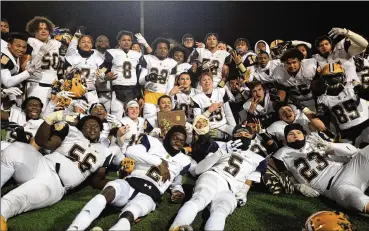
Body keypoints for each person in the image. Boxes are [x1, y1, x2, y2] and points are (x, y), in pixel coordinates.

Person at [67, 126, 192, 231]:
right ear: (167, 136)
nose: (178, 142)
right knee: (108, 191)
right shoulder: (152, 142)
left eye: (182, 141)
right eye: (175, 138)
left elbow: (175, 180)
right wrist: (159, 162)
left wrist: (178, 191)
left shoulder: (184, 160)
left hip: (151, 194)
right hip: (132, 182)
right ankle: (74, 228)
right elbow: (130, 151)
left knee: (130, 214)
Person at [1, 115, 114, 229]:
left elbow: (96, 180)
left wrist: (117, 183)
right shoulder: (74, 134)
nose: (92, 128)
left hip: (55, 184)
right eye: (87, 126)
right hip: (41, 164)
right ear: (81, 129)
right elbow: (43, 142)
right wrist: (49, 120)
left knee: (11, 201)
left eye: (95, 126)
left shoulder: (105, 152)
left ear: (100, 129)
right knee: (16, 148)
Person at [169, 125, 265, 231]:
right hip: (213, 176)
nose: (242, 137)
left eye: (246, 135)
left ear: (252, 137)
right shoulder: (220, 145)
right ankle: (177, 227)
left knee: (221, 211)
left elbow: (250, 178)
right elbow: (198, 170)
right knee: (199, 199)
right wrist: (221, 151)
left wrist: (243, 193)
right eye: (239, 135)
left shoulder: (258, 158)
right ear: (233, 136)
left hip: (230, 189)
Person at [274, 123, 369, 214]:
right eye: (291, 134)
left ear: (303, 134)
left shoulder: (313, 141)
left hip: (349, 169)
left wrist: (330, 146)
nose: (295, 135)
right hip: (335, 186)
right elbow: (283, 175)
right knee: (357, 200)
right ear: (286, 138)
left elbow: (352, 152)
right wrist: (298, 186)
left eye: (298, 133)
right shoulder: (280, 154)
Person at [315, 62, 369, 145]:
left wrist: (362, 90)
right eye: (329, 77)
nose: (333, 80)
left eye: (337, 76)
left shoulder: (352, 87)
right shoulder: (322, 99)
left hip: (365, 124)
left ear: (343, 76)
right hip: (346, 132)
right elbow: (323, 122)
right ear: (323, 80)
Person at [99, 30, 145, 118]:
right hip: (117, 91)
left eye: (129, 40)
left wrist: (140, 96)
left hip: (133, 91)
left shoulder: (137, 55)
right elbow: (103, 68)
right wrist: (105, 77)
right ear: (119, 41)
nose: (126, 42)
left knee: (133, 118)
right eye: (124, 40)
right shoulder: (112, 53)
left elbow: (139, 76)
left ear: (131, 42)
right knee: (116, 118)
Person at [24, 16, 62, 110]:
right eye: (40, 29)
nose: (43, 31)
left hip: (54, 87)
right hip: (36, 85)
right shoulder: (30, 43)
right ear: (34, 31)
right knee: (37, 115)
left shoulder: (56, 44)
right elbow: (24, 67)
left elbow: (59, 66)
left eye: (46, 28)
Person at [139, 37, 177, 126]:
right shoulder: (148, 58)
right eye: (160, 48)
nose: (162, 50)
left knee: (165, 123)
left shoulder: (172, 63)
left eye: (165, 48)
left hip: (164, 97)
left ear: (168, 50)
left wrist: (169, 100)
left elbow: (170, 85)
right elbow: (141, 81)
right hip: (149, 95)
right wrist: (148, 77)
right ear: (155, 49)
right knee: (149, 123)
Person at [192, 72, 236, 141]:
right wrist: (209, 110)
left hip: (224, 126)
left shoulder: (221, 92)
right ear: (200, 83)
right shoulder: (196, 98)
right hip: (208, 129)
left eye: (209, 79)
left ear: (212, 81)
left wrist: (234, 129)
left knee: (238, 133)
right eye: (204, 80)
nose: (207, 81)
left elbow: (228, 114)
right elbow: (197, 121)